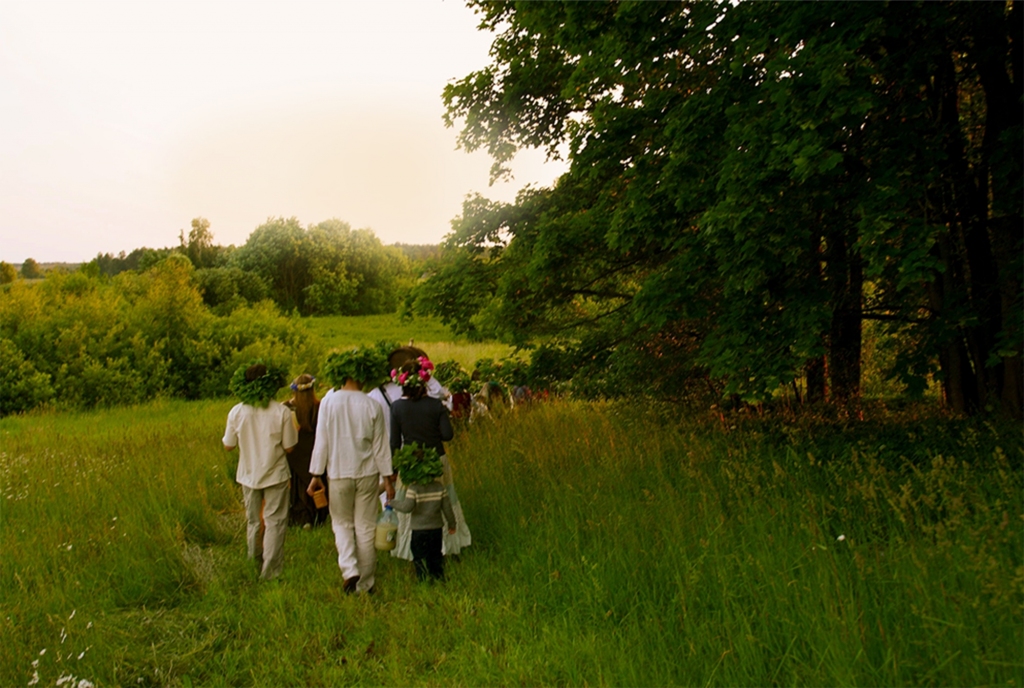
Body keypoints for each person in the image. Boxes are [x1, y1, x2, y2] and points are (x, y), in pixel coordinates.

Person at [308, 348, 394, 594]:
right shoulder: (372, 405)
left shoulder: (328, 402)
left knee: (342, 523)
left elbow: (321, 441)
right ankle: (366, 584)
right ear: (364, 375)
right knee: (365, 527)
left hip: (338, 473)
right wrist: (387, 479)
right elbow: (380, 447)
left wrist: (316, 475)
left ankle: (349, 569)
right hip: (367, 474)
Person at [389, 357, 472, 560]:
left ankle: (411, 549)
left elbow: (394, 442)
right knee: (443, 499)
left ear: (402, 383)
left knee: (411, 502)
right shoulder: (436, 406)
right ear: (425, 381)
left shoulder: (397, 407)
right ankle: (447, 544)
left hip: (410, 462)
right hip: (437, 459)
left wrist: (394, 469)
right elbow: (447, 435)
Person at [222, 361, 298, 581]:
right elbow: (290, 446)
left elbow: (228, 445)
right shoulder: (281, 412)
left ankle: (253, 562)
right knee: (275, 521)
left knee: (254, 521)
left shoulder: (237, 412)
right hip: (275, 474)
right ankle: (271, 571)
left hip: (248, 474)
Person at [389, 448, 456, 581]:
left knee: (419, 556)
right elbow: (447, 508)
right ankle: (437, 576)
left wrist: (393, 503)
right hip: (436, 529)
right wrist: (452, 524)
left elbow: (407, 507)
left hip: (419, 531)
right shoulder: (439, 487)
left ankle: (423, 578)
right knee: (435, 555)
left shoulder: (413, 489)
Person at [283, 374, 329, 528]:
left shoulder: (286, 408)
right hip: (315, 453)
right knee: (316, 482)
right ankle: (318, 516)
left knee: (298, 486)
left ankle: (301, 518)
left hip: (294, 454)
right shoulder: (320, 406)